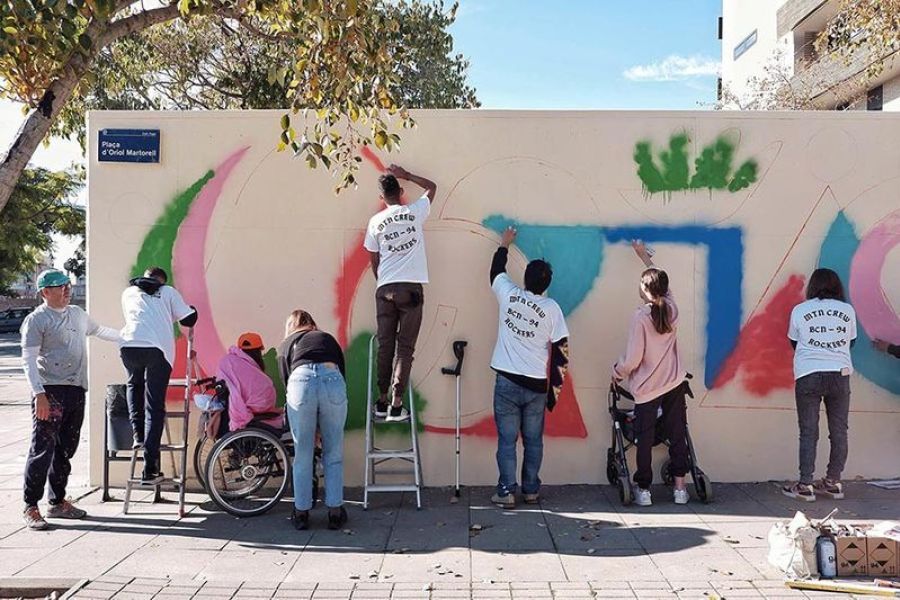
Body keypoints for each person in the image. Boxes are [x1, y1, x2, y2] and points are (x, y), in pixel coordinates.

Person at [20, 269, 122, 530]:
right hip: (50, 391)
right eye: (59, 286)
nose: (67, 290)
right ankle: (31, 505)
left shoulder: (77, 314)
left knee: (67, 447)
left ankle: (57, 502)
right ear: (45, 292)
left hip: (76, 389)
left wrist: (130, 335)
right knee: (43, 448)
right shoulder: (36, 320)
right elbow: (29, 360)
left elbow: (101, 331)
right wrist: (39, 394)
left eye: (67, 285)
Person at [488, 226, 569, 508]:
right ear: (546, 283)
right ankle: (531, 489)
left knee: (507, 441)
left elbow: (495, 272)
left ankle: (507, 490)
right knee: (533, 441)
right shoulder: (552, 309)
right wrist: (554, 391)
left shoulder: (509, 294)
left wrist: (504, 244)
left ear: (525, 279)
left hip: (507, 382)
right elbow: (561, 350)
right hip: (535, 384)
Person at [612, 241, 690, 507]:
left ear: (645, 289)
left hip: (647, 388)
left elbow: (633, 357)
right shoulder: (672, 308)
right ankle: (680, 488)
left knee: (643, 439)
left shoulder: (641, 317)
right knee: (677, 433)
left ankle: (644, 489)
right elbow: (663, 284)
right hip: (674, 383)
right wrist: (645, 258)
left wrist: (618, 372)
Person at [363, 165, 437, 422]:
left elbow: (374, 259)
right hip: (411, 288)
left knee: (386, 345)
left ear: (381, 197)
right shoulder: (414, 211)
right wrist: (407, 173)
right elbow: (432, 187)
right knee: (404, 348)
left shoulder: (375, 222)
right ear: (401, 191)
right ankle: (397, 403)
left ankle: (381, 400)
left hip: (385, 288)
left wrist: (383, 281)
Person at [783, 268, 857, 502]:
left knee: (808, 431)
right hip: (840, 373)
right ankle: (833, 482)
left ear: (813, 286)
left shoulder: (801, 310)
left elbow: (794, 341)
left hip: (808, 373)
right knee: (839, 431)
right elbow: (851, 341)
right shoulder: (847, 310)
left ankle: (805, 484)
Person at [120, 267, 197, 484]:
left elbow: (147, 316)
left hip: (128, 345)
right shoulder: (168, 292)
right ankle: (150, 468)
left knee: (134, 386)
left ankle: (138, 435)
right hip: (157, 350)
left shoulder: (129, 293)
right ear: (162, 281)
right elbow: (188, 320)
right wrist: (191, 309)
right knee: (154, 405)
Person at [278, 309, 348, 530]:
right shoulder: (326, 338)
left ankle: (301, 513)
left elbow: (286, 381)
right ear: (312, 324)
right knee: (333, 451)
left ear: (291, 326)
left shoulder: (287, 343)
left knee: (303, 453)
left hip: (300, 382)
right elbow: (341, 372)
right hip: (333, 378)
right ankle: (335, 512)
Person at [216, 332, 281, 433]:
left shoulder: (228, 362)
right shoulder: (257, 375)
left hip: (231, 409)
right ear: (258, 352)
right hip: (257, 409)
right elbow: (265, 400)